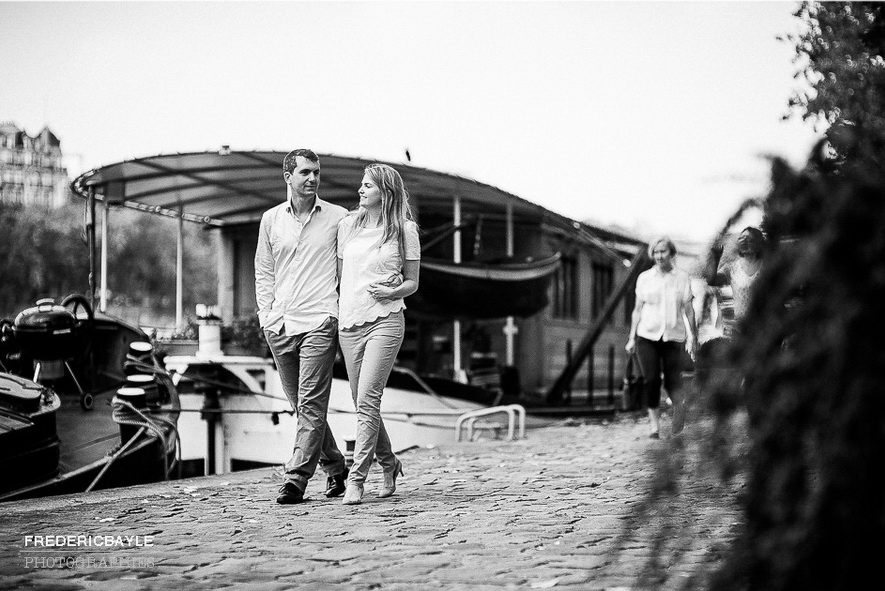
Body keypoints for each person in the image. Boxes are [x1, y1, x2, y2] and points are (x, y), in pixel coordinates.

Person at [254, 149, 349, 504]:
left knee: (310, 404)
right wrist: (268, 317)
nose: (313, 178)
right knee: (303, 405)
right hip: (281, 324)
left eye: (317, 172)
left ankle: (295, 479)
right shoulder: (271, 220)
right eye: (305, 172)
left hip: (320, 320)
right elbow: (263, 269)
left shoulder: (338, 218)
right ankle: (337, 469)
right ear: (288, 177)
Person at [336, 163, 420, 505]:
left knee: (368, 400)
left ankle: (356, 479)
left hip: (385, 320)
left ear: (385, 192)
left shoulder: (404, 229)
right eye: (361, 184)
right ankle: (390, 463)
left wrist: (392, 292)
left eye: (367, 185)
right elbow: (343, 278)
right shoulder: (347, 227)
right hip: (349, 322)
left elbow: (412, 282)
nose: (360, 190)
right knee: (362, 402)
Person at [626, 236, 698, 438]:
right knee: (651, 380)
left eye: (663, 251)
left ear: (671, 254)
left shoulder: (682, 277)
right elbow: (637, 310)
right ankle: (654, 426)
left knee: (672, 381)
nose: (659, 255)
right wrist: (632, 338)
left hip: (674, 337)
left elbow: (688, 310)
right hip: (646, 336)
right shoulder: (644, 278)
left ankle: (679, 409)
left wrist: (694, 336)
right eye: (656, 252)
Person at [702, 226, 765, 336]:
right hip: (740, 328)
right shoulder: (731, 268)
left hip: (764, 327)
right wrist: (715, 259)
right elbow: (712, 280)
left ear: (758, 243)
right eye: (742, 238)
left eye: (749, 239)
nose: (744, 241)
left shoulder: (767, 266)